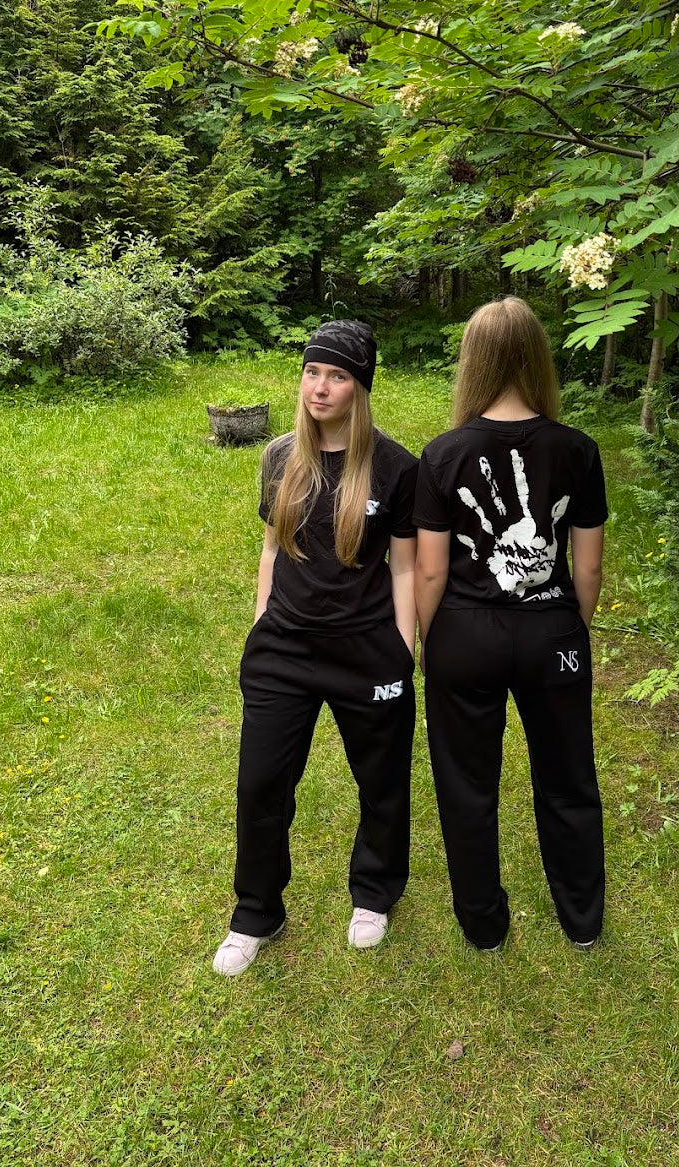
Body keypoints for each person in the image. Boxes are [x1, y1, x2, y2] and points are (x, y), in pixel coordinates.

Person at [214, 320, 418, 977]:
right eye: (311, 372)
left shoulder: (396, 467)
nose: (320, 387)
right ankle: (256, 911)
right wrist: (260, 624)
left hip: (368, 648)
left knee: (381, 783)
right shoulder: (280, 457)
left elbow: (406, 568)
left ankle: (374, 892)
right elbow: (271, 548)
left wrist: (404, 648)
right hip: (285, 650)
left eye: (337, 376)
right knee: (260, 785)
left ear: (361, 388)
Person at [413, 297, 607, 953]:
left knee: (466, 785)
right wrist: (569, 629)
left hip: (464, 636)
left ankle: (483, 925)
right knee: (568, 778)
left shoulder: (440, 455)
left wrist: (427, 642)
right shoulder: (578, 450)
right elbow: (587, 568)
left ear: (472, 361)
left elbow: (430, 572)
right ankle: (581, 920)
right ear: (537, 359)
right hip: (552, 634)